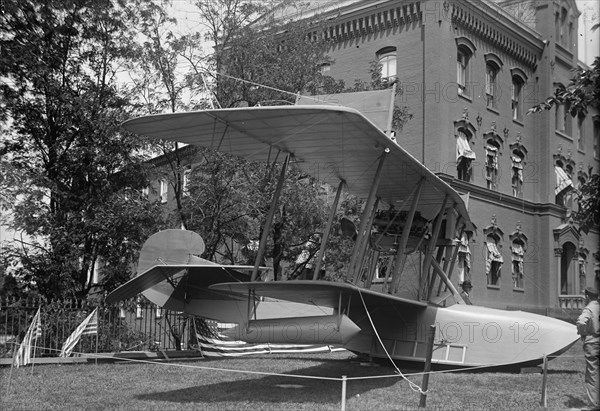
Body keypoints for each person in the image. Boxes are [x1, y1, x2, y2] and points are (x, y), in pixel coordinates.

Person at [576, 286, 599, 410]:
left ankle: (593, 405)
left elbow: (581, 322)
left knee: (592, 374)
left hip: (592, 344)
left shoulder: (588, 309)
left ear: (587, 297)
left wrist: (582, 332)